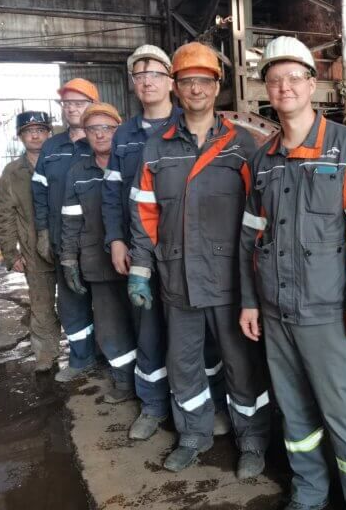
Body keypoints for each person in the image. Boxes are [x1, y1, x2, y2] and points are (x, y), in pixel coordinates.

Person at [239, 36, 346, 510]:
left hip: (327, 311)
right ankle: (309, 493)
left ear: (311, 84)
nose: (284, 87)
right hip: (275, 309)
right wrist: (250, 300)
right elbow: (251, 238)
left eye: (293, 78)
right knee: (294, 412)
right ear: (267, 89)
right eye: (274, 79)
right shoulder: (262, 161)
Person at [128, 42, 270, 476]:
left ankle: (252, 439)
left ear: (216, 87)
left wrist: (259, 277)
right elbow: (143, 212)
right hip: (177, 276)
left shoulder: (240, 146)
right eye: (188, 81)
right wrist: (140, 269)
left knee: (241, 363)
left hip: (230, 280)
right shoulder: (157, 147)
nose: (196, 89)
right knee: (183, 362)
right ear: (176, 87)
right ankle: (193, 434)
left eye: (204, 81)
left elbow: (259, 215)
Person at [101, 44, 229, 441]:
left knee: (196, 337)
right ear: (133, 83)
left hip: (187, 253)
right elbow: (114, 194)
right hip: (141, 248)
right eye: (140, 76)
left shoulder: (188, 122)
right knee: (149, 330)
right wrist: (116, 240)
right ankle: (154, 405)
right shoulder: (124, 135)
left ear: (170, 82)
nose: (148, 82)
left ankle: (207, 405)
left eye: (155, 74)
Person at [60, 103, 138, 404]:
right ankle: (124, 380)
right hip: (98, 262)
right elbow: (70, 220)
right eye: (93, 129)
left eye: (107, 128)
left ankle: (153, 386)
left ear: (119, 130)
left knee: (146, 325)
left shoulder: (134, 164)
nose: (100, 134)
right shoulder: (78, 172)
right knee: (110, 327)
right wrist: (69, 258)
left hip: (138, 259)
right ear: (86, 134)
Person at [32, 78, 98, 382]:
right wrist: (43, 232)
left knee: (109, 304)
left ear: (93, 106)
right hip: (63, 241)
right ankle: (81, 358)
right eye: (67, 103)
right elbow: (39, 192)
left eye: (79, 103)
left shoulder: (103, 141)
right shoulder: (51, 147)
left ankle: (112, 358)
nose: (71, 108)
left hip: (99, 242)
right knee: (71, 304)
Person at [0, 111, 61, 372]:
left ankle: (87, 351)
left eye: (40, 130)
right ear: (20, 137)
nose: (35, 135)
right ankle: (45, 353)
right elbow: (5, 215)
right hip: (33, 251)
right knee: (41, 304)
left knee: (76, 304)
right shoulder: (13, 172)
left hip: (67, 245)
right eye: (28, 131)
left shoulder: (62, 162)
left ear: (49, 134)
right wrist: (11, 254)